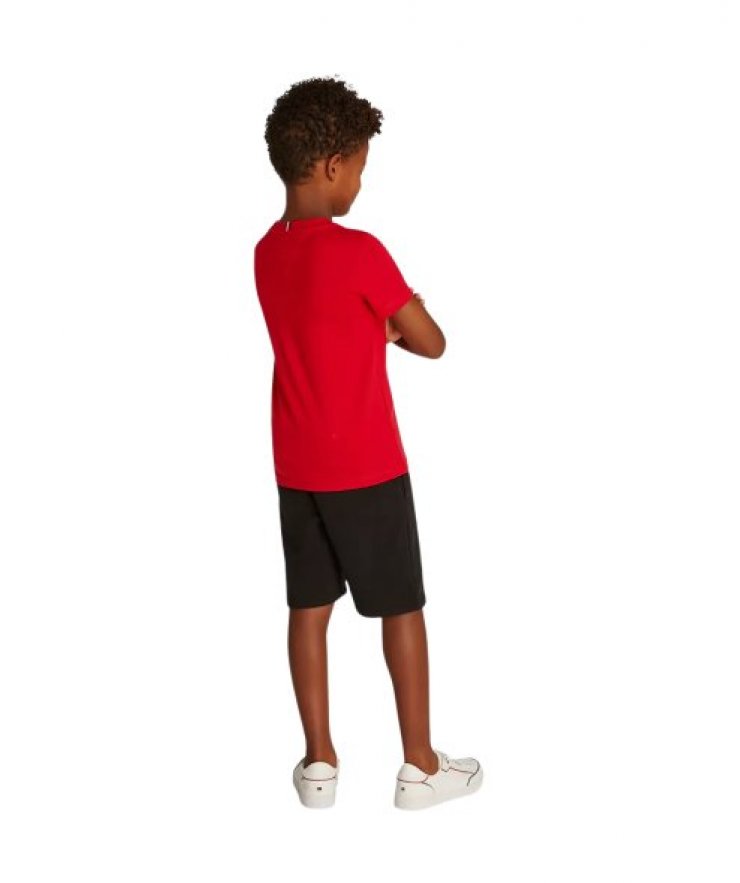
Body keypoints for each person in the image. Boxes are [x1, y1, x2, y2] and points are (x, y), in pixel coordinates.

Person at [253, 76, 483, 810]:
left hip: (297, 464)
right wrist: (393, 323)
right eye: (358, 167)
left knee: (308, 608)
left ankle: (318, 763)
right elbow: (433, 341)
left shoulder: (265, 252)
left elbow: (319, 328)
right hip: (367, 464)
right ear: (331, 165)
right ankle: (421, 765)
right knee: (400, 607)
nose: (359, 181)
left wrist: (369, 328)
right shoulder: (360, 251)